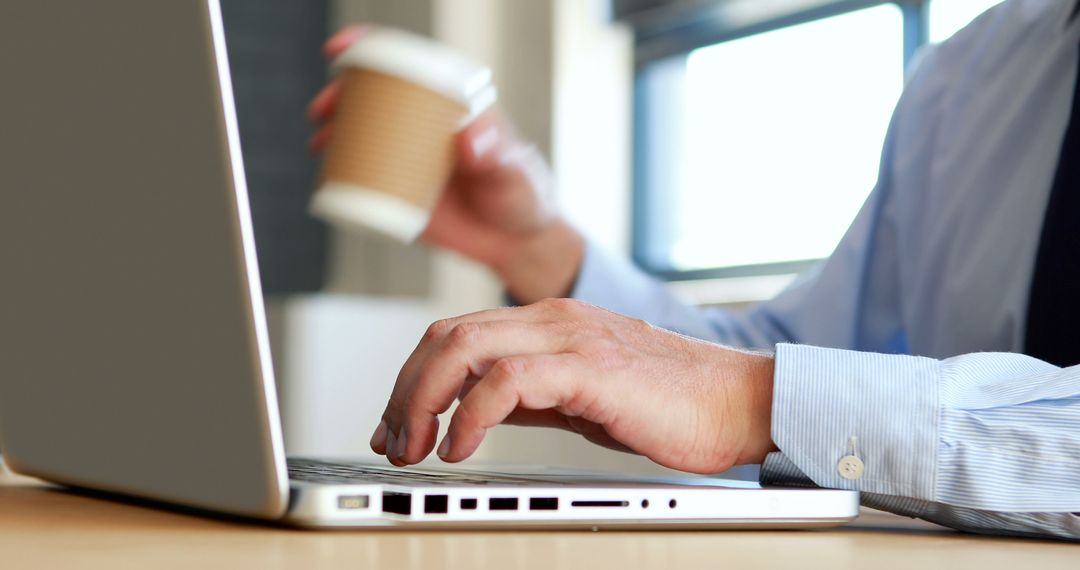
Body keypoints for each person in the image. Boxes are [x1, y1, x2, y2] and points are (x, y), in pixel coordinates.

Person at [308, 0, 1080, 540]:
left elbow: (769, 395)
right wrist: (533, 247)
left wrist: (755, 401)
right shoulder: (972, 72)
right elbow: (794, 361)